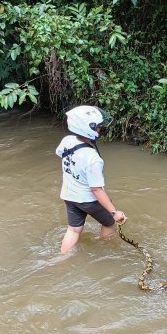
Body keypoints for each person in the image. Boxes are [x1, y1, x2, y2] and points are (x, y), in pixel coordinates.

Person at [56, 105, 126, 254]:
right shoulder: (92, 158)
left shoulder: (67, 140)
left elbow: (60, 153)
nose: (100, 129)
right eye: (98, 126)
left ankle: (61, 259)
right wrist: (114, 212)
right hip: (87, 199)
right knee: (109, 224)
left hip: (69, 195)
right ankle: (104, 252)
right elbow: (96, 189)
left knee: (74, 230)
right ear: (87, 128)